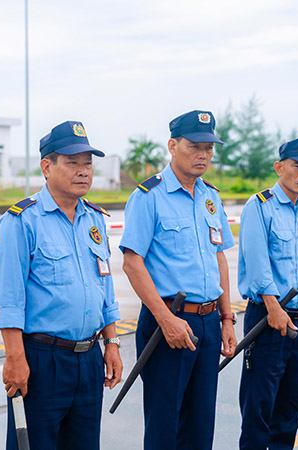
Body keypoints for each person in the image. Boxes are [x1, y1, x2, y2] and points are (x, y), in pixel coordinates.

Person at [0, 120, 122, 450]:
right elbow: (8, 298)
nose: (83, 171)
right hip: (42, 360)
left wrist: (112, 343)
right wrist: (15, 360)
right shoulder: (22, 221)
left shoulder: (94, 219)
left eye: (88, 163)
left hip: (89, 358)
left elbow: (103, 286)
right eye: (72, 162)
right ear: (47, 167)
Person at [120, 110, 236, 450]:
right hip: (168, 320)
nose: (203, 155)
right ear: (173, 145)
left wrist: (227, 319)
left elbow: (220, 260)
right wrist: (166, 318)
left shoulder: (210, 197)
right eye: (195, 147)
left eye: (209, 149)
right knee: (164, 422)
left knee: (200, 421)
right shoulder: (148, 196)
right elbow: (132, 263)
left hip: (209, 321)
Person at [237, 137, 298, 450]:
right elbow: (258, 265)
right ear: (279, 167)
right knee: (260, 404)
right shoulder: (259, 206)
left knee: (291, 404)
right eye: (297, 166)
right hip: (269, 318)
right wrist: (274, 308)